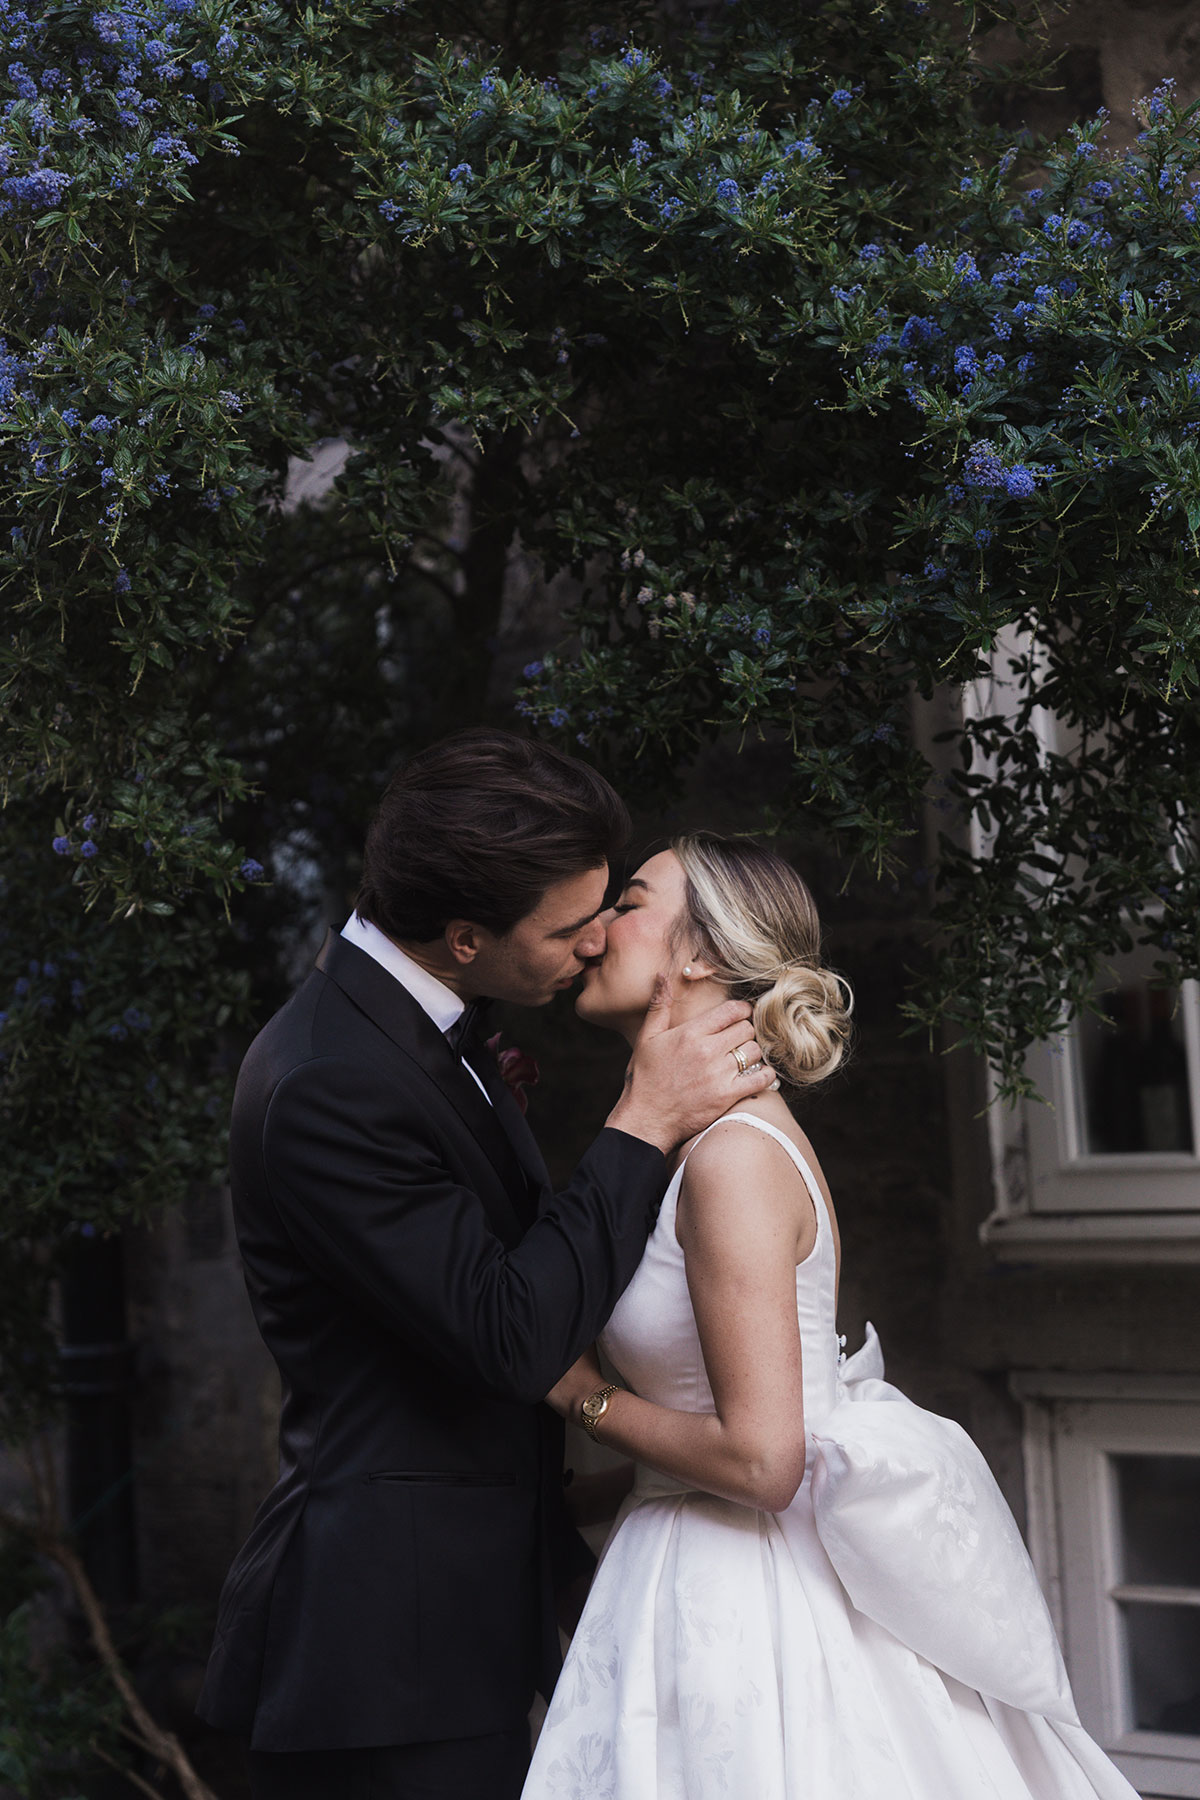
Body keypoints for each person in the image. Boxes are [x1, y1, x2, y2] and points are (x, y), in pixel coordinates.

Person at [195, 734, 777, 1800]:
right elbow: (510, 1335)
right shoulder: (328, 1082)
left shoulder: (428, 1022)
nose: (599, 940)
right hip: (383, 1655)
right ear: (464, 938)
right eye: (571, 926)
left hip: (472, 1613)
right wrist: (643, 1120)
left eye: (612, 905)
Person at [524, 831, 1140, 1800]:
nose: (597, 931)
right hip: (691, 1565)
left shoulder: (733, 1160)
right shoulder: (696, 1148)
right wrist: (576, 1502)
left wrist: (578, 1393)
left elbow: (766, 1462)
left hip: (752, 1604)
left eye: (630, 901)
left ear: (702, 955)